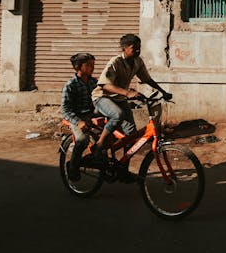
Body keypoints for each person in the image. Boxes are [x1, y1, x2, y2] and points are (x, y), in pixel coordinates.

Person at [91, 34, 172, 180]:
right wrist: (128, 93)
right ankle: (99, 144)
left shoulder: (137, 62)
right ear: (124, 48)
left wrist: (163, 92)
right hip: (103, 97)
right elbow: (104, 84)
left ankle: (123, 169)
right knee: (118, 114)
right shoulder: (115, 62)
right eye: (134, 48)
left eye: (139, 48)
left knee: (130, 136)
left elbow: (147, 79)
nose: (137, 51)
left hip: (120, 99)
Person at [60, 53, 97, 182]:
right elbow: (65, 110)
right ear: (78, 67)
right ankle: (73, 167)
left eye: (93, 65)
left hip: (92, 116)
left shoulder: (94, 82)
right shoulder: (70, 85)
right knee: (82, 139)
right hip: (77, 117)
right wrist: (78, 121)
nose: (92, 68)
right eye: (88, 65)